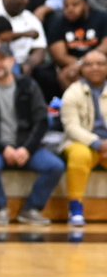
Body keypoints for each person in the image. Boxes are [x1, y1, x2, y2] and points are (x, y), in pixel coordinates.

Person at [0, 43, 64, 225]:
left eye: (2, 59)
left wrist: (26, 149)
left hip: (26, 146)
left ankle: (32, 209)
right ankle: (0, 210)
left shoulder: (28, 85)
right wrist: (4, 148)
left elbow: (42, 121)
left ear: (12, 61)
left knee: (55, 166)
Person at [59, 50, 107, 226]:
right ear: (82, 69)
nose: (95, 68)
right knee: (80, 155)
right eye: (89, 64)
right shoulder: (73, 91)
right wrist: (97, 143)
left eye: (100, 64)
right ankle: (76, 207)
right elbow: (71, 127)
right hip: (83, 142)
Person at [39, 0, 107, 100]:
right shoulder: (57, 22)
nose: (70, 9)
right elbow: (60, 56)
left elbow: (105, 46)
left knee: (97, 68)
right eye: (66, 6)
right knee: (65, 75)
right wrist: (83, 67)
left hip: (101, 62)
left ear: (86, 5)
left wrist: (86, 64)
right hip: (72, 65)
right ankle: (81, 106)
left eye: (75, 5)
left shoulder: (102, 17)